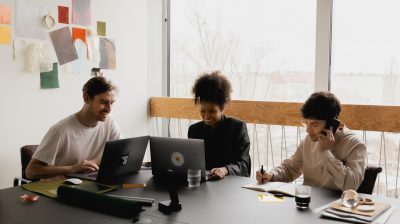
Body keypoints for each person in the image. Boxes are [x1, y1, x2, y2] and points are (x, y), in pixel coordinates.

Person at [256, 92, 366, 191]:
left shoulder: (355, 144)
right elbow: (291, 168)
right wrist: (271, 175)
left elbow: (351, 185)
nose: (308, 130)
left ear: (332, 124)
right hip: (307, 201)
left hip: (336, 207)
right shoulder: (308, 140)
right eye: (306, 123)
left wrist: (325, 152)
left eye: (314, 124)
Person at [26, 76, 122, 179]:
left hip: (90, 182)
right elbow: (31, 171)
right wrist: (72, 168)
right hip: (63, 188)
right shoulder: (60, 131)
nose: (109, 109)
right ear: (86, 98)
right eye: (103, 102)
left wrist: (93, 163)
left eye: (112, 103)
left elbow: (120, 153)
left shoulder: (110, 122)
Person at [188, 71, 251, 180]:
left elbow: (244, 165)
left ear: (222, 108)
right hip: (204, 186)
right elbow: (192, 164)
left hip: (230, 186)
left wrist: (226, 169)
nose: (206, 116)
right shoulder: (194, 130)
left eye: (212, 111)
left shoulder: (237, 128)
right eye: (203, 111)